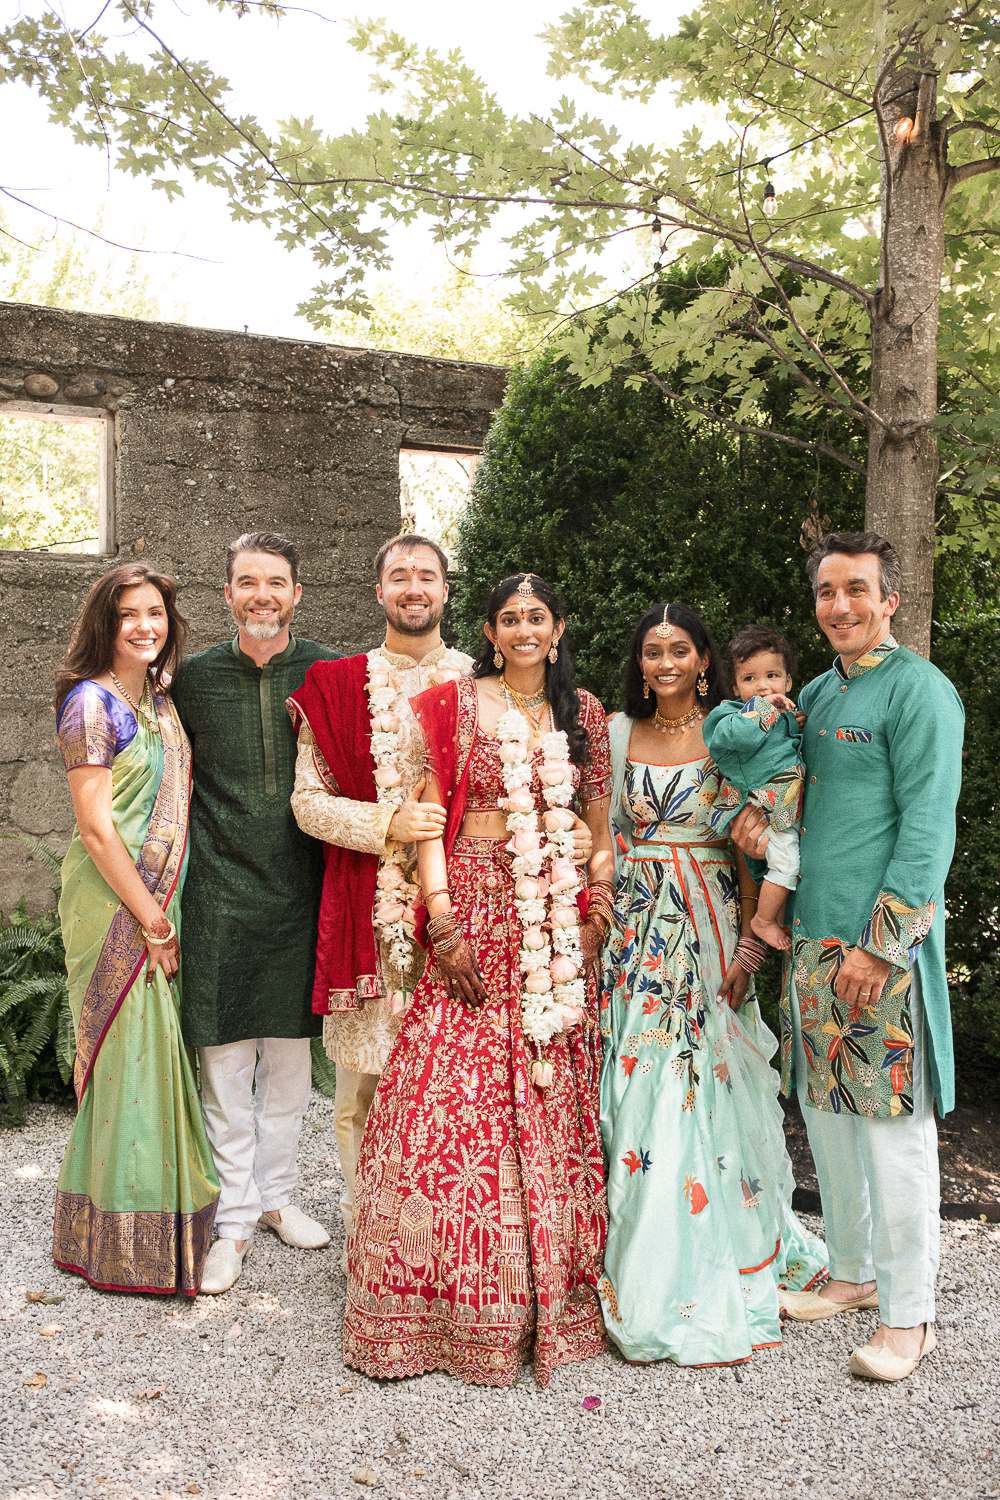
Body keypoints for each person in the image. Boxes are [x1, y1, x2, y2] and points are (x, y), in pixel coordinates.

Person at [342, 572, 613, 1387]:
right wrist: (443, 920)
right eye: (508, 619)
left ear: (557, 627)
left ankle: (545, 1297)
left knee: (545, 1095)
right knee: (444, 1099)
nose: (524, 629)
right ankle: (431, 1306)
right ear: (490, 632)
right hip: (471, 904)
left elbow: (600, 826)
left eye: (537, 616)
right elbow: (431, 819)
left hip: (553, 924)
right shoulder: (457, 705)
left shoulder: (584, 713)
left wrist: (595, 908)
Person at [734, 533, 964, 1382]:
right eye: (828, 592)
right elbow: (789, 812)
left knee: (895, 1132)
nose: (840, 606)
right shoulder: (817, 696)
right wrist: (755, 835)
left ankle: (911, 1317)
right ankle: (854, 1274)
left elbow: (929, 829)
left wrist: (884, 944)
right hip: (810, 945)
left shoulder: (922, 693)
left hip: (879, 952)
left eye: (857, 590)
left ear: (889, 599)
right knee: (826, 1122)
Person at [598, 601, 827, 1368]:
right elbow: (608, 834)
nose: (665, 663)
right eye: (651, 650)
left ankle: (709, 1252)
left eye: (680, 651)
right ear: (639, 663)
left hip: (707, 923)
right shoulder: (618, 735)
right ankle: (627, 1243)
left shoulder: (736, 732)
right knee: (632, 1068)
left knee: (701, 1074)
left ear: (705, 661)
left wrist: (748, 946)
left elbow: (761, 838)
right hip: (633, 928)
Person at [288, 533, 473, 1272]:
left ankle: (452, 1246)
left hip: (464, 909)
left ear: (447, 591)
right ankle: (372, 1245)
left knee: (456, 1090)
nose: (413, 587)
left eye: (426, 576)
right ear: (379, 593)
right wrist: (385, 824)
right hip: (365, 905)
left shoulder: (482, 681)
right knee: (358, 1096)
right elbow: (307, 803)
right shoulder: (337, 684)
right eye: (398, 576)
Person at [170, 532, 340, 1294]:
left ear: (297, 592)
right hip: (219, 893)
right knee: (225, 1060)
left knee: (291, 1063)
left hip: (305, 891)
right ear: (228, 593)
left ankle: (278, 1198)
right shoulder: (192, 680)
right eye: (248, 582)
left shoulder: (332, 672)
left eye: (276, 581)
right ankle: (232, 1221)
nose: (262, 594)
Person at [51, 564, 219, 1295]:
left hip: (159, 907)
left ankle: (155, 1223)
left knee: (151, 1055)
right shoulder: (93, 704)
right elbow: (94, 827)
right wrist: (150, 918)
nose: (145, 625)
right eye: (130, 615)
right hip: (119, 907)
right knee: (129, 1057)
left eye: (156, 613)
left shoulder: (154, 700)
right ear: (104, 624)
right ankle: (124, 1242)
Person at [703, 625, 805, 950]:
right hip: (764, 809)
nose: (762, 686)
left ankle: (776, 916)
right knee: (787, 863)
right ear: (735, 687)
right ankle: (762, 921)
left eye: (772, 676)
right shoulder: (728, 715)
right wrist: (763, 709)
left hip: (789, 807)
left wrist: (788, 720)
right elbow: (731, 739)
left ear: (788, 681)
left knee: (792, 863)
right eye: (749, 679)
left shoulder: (788, 714)